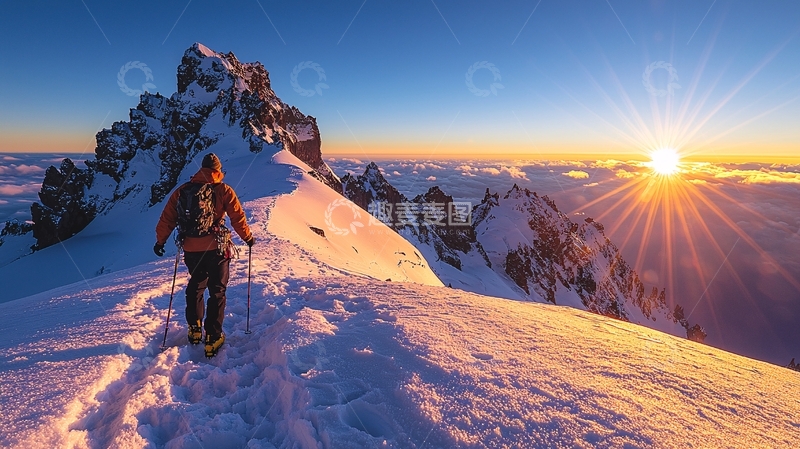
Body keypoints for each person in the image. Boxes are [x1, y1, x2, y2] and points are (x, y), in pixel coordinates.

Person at [154, 153, 254, 356]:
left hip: (191, 248)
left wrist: (160, 241)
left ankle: (195, 329)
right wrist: (248, 238)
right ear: (218, 171)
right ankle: (213, 337)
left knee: (196, 285)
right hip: (217, 248)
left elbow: (167, 218)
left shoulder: (183, 191)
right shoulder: (224, 190)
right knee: (217, 291)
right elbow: (237, 217)